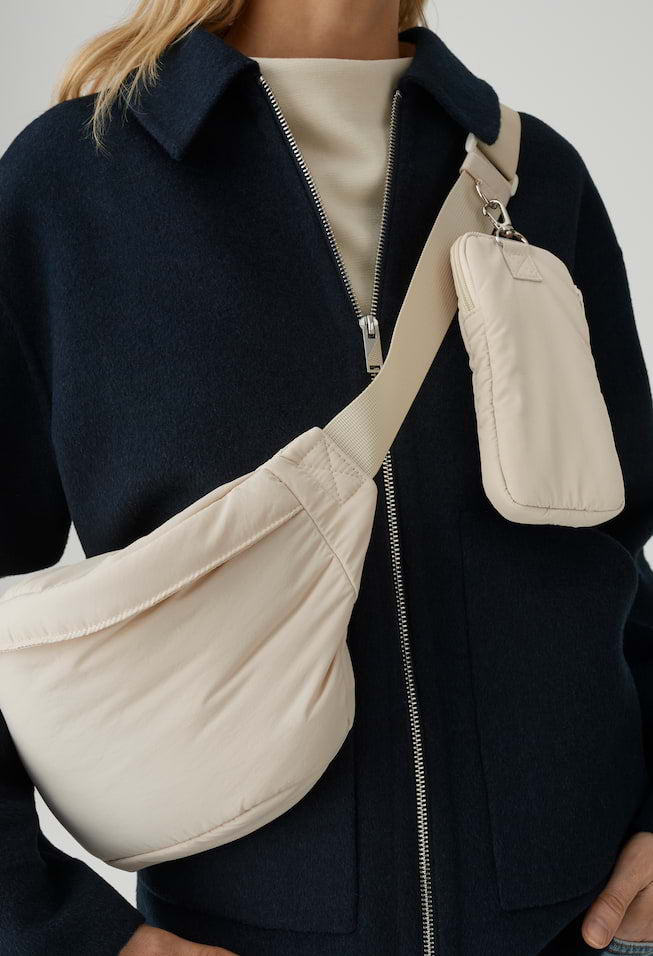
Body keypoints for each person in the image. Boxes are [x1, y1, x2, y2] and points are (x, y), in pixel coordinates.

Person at [1, 0, 653, 953]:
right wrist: (59, 930)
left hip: (583, 927)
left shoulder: (534, 174)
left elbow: (612, 554)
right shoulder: (75, 183)